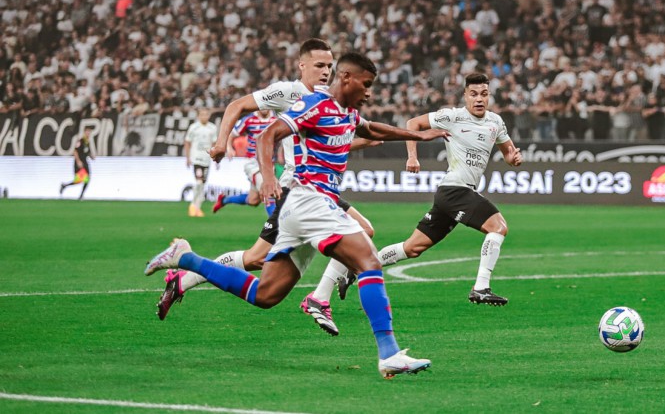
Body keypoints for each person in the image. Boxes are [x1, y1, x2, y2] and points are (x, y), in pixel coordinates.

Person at [145, 52, 449, 378]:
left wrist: (417, 135)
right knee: (368, 260)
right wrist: (268, 178)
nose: (370, 92)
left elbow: (373, 129)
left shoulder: (347, 112)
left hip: (309, 207)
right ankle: (388, 352)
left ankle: (187, 259)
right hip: (308, 201)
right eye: (366, 84)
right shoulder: (314, 104)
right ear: (346, 78)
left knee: (266, 295)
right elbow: (267, 135)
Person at [153, 39, 376, 337]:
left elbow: (337, 139)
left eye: (329, 67)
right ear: (303, 65)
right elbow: (237, 105)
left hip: (318, 190)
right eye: (319, 65)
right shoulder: (288, 92)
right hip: (294, 190)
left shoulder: (332, 100)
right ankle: (317, 299)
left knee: (260, 257)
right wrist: (222, 142)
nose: (325, 72)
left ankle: (184, 278)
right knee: (257, 258)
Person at [370, 73, 522, 306]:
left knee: (412, 248)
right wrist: (412, 157)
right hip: (454, 190)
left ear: (489, 95)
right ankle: (481, 287)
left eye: (483, 94)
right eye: (473, 94)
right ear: (465, 96)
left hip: (454, 195)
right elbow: (413, 124)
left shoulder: (496, 122)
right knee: (498, 227)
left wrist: (514, 158)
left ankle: (359, 267)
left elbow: (509, 153)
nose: (479, 99)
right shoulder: (452, 116)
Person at [211, 109, 276, 216]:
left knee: (253, 200)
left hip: (269, 164)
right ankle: (275, 229)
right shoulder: (249, 119)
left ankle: (224, 200)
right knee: (268, 193)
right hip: (253, 163)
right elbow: (232, 134)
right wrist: (229, 147)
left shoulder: (276, 119)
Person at [184, 109, 218, 217]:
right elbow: (187, 142)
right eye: (202, 114)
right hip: (196, 158)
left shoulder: (212, 128)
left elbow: (214, 144)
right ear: (198, 116)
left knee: (202, 184)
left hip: (206, 159)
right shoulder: (194, 127)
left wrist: (216, 158)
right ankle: (193, 205)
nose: (204, 116)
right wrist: (188, 157)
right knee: (198, 182)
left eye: (206, 114)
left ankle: (197, 207)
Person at [59, 125, 95, 199]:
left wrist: (91, 156)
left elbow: (86, 152)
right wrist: (78, 161)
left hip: (85, 162)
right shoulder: (81, 140)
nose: (88, 133)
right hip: (79, 163)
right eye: (87, 131)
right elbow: (75, 151)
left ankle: (80, 195)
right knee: (80, 180)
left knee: (86, 179)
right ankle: (65, 186)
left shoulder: (87, 142)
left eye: (89, 132)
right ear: (84, 132)